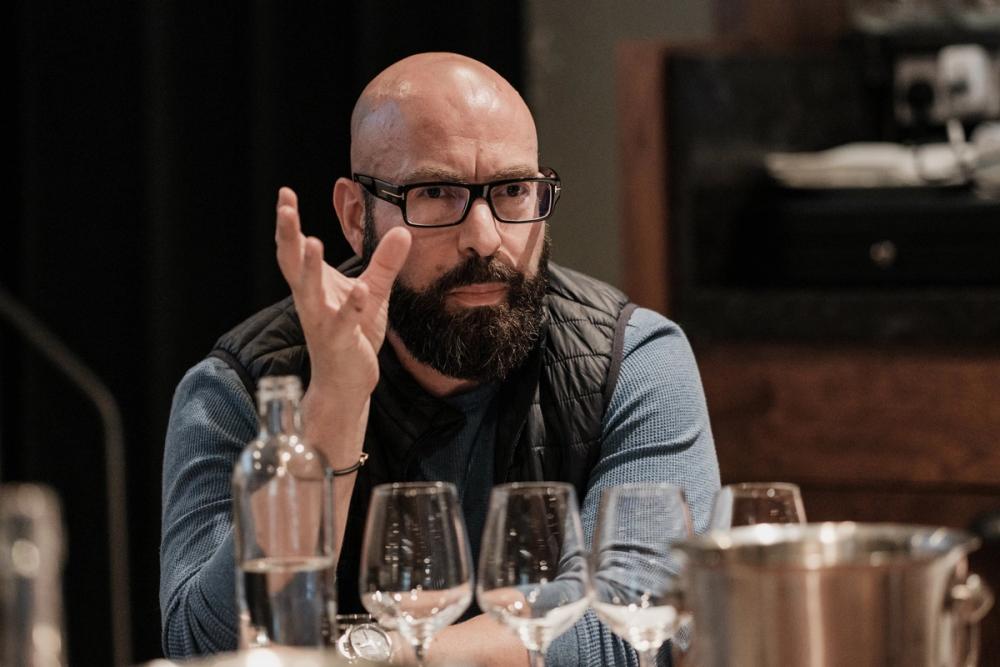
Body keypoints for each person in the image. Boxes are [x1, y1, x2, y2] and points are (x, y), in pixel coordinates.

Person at [160, 52, 720, 666]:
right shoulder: (238, 390)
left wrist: (381, 656)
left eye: (513, 191)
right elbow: (206, 650)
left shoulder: (632, 362)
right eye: (435, 193)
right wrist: (334, 406)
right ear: (356, 216)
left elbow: (639, 623)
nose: (484, 237)